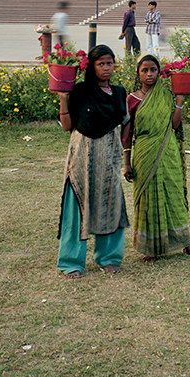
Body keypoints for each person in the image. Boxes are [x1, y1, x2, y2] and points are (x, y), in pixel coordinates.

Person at [122, 55, 190, 263]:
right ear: (138, 73)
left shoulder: (166, 95)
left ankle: (185, 244)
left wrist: (179, 102)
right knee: (149, 198)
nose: (149, 74)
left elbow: (174, 125)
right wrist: (126, 161)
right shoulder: (131, 99)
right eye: (144, 70)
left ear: (159, 72)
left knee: (174, 194)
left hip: (167, 150)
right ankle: (151, 248)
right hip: (144, 152)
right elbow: (126, 132)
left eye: (153, 70)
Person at [56, 45, 129, 278]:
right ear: (92, 66)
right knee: (77, 208)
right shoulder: (80, 91)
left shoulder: (118, 92)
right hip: (82, 158)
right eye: (101, 64)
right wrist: (63, 98)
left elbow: (124, 120)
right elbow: (68, 126)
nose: (107, 68)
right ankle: (71, 262)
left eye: (110, 63)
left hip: (108, 158)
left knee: (111, 205)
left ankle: (108, 258)